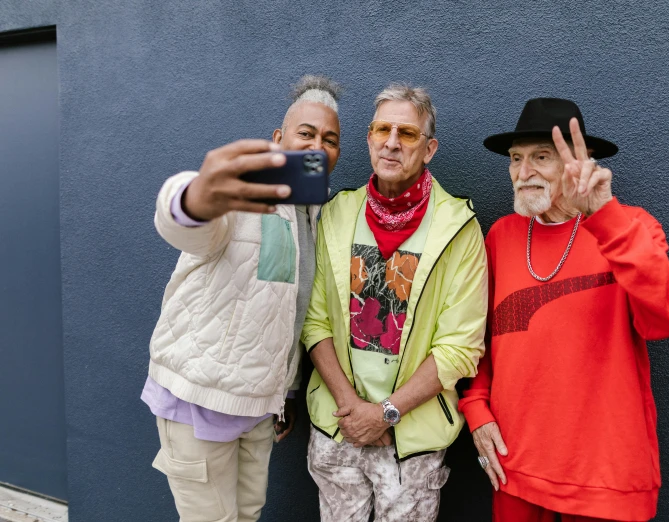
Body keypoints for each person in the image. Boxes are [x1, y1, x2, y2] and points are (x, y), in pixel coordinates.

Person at [459, 98, 669, 522]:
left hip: (602, 478)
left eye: (541, 157)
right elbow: (477, 336)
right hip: (514, 467)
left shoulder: (631, 226)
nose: (523, 172)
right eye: (516, 159)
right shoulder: (502, 235)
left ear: (580, 163)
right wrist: (477, 408)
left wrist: (603, 215)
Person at [141, 75, 342, 522]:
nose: (316, 145)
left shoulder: (319, 214)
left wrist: (285, 392)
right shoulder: (245, 190)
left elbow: (289, 309)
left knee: (248, 514)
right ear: (279, 139)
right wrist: (190, 199)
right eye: (305, 133)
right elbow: (188, 220)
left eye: (329, 139)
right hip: (200, 400)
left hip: (258, 407)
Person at [301, 84, 488, 522]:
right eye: (381, 129)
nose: (391, 141)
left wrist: (385, 414)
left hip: (411, 443)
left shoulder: (459, 229)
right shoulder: (336, 213)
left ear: (429, 148)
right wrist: (354, 411)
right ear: (368, 139)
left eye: (406, 133)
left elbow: (460, 348)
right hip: (338, 427)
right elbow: (315, 323)